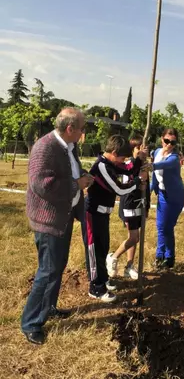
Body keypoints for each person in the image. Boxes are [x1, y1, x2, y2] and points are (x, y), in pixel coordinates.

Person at [21, 108, 93, 345]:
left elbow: (69, 172)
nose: (83, 132)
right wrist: (76, 184)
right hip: (48, 220)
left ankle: (48, 307)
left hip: (63, 216)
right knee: (48, 270)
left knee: (57, 266)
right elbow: (41, 184)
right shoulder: (45, 147)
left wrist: (81, 175)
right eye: (82, 128)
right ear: (70, 128)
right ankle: (31, 322)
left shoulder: (68, 147)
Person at [86, 135, 147, 302]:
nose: (123, 160)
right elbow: (119, 189)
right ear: (113, 152)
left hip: (104, 213)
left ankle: (103, 279)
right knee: (95, 250)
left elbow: (127, 169)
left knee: (104, 247)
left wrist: (138, 160)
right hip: (93, 214)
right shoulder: (102, 167)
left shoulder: (111, 164)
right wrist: (138, 181)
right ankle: (95, 287)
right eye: (122, 157)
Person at [107, 135, 150, 280]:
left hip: (140, 205)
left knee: (134, 237)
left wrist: (147, 207)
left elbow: (147, 188)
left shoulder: (144, 165)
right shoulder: (130, 165)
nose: (141, 151)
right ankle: (113, 257)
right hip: (129, 205)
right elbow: (126, 187)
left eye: (143, 148)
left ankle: (129, 266)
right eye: (138, 148)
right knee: (134, 237)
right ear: (132, 150)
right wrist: (140, 180)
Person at [151, 128, 184, 269]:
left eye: (172, 142)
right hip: (163, 195)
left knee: (167, 227)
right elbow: (154, 176)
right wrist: (149, 191)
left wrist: (150, 165)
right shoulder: (157, 152)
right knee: (161, 226)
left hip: (175, 197)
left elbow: (163, 165)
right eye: (166, 141)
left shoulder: (174, 157)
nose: (169, 144)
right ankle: (160, 256)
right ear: (161, 139)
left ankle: (169, 257)